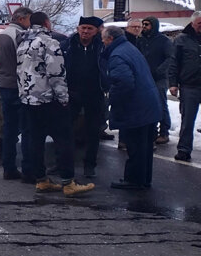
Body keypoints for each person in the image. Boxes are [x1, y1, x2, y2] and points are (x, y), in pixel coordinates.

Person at [16, 11, 94, 197]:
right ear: (46, 23)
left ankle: (41, 179)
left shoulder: (23, 43)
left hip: (29, 99)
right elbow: (56, 73)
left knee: (35, 141)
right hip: (48, 100)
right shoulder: (49, 42)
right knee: (64, 140)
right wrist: (63, 98)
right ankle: (68, 182)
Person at [100, 25, 162, 189]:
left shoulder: (117, 55)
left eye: (103, 39)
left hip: (136, 107)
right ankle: (144, 179)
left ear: (110, 39)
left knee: (136, 146)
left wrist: (113, 99)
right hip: (148, 104)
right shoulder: (129, 48)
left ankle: (134, 180)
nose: (103, 43)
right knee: (145, 147)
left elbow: (124, 82)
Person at [62, 16, 106, 178]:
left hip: (95, 94)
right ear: (78, 29)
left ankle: (90, 165)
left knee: (93, 131)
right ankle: (63, 164)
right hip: (72, 93)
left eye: (89, 29)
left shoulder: (102, 47)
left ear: (96, 31)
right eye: (83, 28)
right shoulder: (67, 46)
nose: (85, 31)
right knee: (66, 130)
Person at [0, 6, 33, 181]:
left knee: (9, 129)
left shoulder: (1, 35)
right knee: (27, 128)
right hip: (18, 86)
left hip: (4, 85)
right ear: (21, 19)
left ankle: (8, 167)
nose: (31, 24)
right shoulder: (21, 36)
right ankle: (28, 169)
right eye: (29, 20)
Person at [136, 17, 174, 144]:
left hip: (159, 78)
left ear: (154, 25)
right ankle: (151, 131)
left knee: (161, 104)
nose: (144, 26)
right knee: (146, 105)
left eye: (147, 24)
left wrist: (159, 71)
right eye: (143, 24)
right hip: (144, 78)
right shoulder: (140, 40)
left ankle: (164, 132)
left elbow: (170, 58)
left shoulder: (164, 41)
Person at [169, 11, 201, 162]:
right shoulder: (181, 40)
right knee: (188, 120)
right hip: (189, 85)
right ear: (192, 23)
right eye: (200, 23)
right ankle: (183, 149)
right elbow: (173, 62)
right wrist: (173, 84)